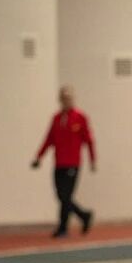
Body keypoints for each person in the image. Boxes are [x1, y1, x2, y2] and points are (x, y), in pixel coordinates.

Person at [31, 85, 96, 238]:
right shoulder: (56, 119)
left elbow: (89, 140)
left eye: (69, 98)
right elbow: (49, 139)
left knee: (65, 196)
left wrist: (93, 160)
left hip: (73, 163)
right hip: (59, 163)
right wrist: (39, 157)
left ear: (73, 99)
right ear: (60, 100)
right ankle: (84, 215)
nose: (66, 101)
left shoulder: (80, 118)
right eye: (64, 98)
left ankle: (63, 227)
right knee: (61, 196)